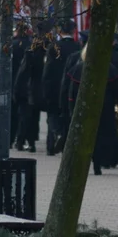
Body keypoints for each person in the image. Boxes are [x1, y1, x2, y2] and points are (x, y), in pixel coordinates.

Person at [67, 42, 118, 176]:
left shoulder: (78, 69)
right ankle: (102, 161)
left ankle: (90, 162)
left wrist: (70, 110)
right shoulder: (110, 69)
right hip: (105, 108)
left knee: (85, 137)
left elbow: (70, 93)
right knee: (103, 136)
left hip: (83, 109)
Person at [42, 20, 80, 154]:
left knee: (52, 116)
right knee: (67, 117)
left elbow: (48, 71)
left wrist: (45, 90)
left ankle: (52, 144)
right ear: (73, 31)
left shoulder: (53, 47)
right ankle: (66, 145)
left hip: (54, 87)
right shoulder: (78, 47)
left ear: (60, 31)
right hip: (71, 88)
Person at [14, 21, 49, 153]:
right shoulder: (50, 50)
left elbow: (23, 72)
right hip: (42, 88)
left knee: (25, 117)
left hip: (30, 88)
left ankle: (23, 141)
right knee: (34, 118)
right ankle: (31, 142)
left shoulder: (31, 51)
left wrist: (17, 90)